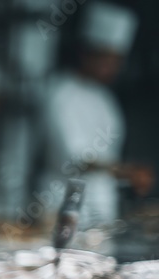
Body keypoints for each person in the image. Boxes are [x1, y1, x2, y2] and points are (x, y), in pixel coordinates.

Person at [38, 1, 152, 229]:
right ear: (86, 52)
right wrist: (127, 172)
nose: (112, 67)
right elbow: (76, 158)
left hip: (102, 210)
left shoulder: (104, 99)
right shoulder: (60, 92)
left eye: (117, 60)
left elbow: (108, 153)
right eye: (106, 58)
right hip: (64, 207)